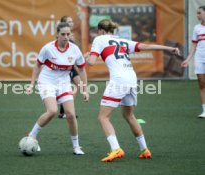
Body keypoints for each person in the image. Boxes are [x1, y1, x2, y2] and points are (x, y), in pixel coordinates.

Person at [86, 19, 180, 162]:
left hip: (118, 80)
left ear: (100, 31)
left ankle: (116, 149)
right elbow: (147, 46)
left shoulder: (99, 39)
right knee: (129, 115)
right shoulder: (123, 41)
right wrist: (169, 49)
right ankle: (144, 149)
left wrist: (87, 57)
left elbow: (91, 62)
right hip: (131, 79)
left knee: (103, 117)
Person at [24, 22, 89, 155]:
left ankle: (76, 146)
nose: (66, 37)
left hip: (64, 83)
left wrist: (85, 89)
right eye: (63, 34)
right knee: (52, 110)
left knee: (70, 114)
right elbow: (37, 66)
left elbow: (82, 69)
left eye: (68, 34)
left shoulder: (74, 49)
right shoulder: (48, 48)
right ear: (57, 35)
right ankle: (32, 135)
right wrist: (31, 84)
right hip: (47, 81)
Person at [181, 5, 205, 118]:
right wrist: (188, 59)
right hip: (199, 58)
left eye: (199, 13)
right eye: (196, 13)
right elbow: (194, 45)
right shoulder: (197, 28)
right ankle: (204, 110)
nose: (197, 15)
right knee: (201, 83)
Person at [58, 16, 82, 119]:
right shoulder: (64, 37)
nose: (72, 23)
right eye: (69, 22)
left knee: (78, 85)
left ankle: (64, 111)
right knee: (76, 85)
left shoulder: (70, 36)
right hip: (65, 67)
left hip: (70, 66)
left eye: (72, 21)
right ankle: (66, 110)